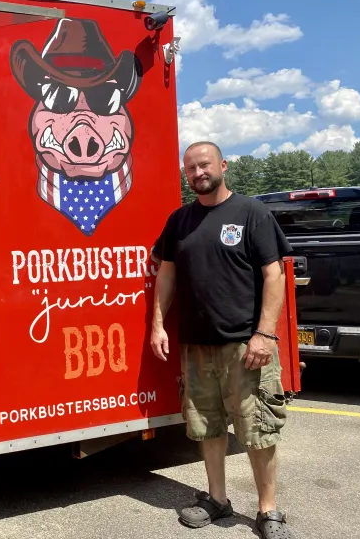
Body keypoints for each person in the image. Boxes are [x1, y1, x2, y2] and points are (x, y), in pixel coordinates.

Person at [150, 141, 296, 539]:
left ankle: (268, 510)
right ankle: (217, 499)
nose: (198, 173)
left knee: (258, 429)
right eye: (191, 169)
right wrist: (158, 324)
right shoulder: (179, 220)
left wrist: (264, 334)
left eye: (204, 165)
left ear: (222, 166)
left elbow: (274, 275)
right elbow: (166, 275)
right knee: (207, 427)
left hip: (245, 346)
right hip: (196, 347)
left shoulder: (252, 213)